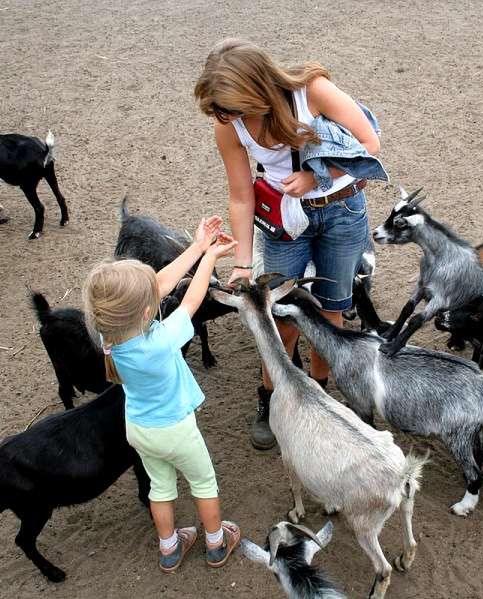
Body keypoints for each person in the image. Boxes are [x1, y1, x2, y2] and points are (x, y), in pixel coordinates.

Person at [194, 39, 382, 450]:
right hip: (284, 220)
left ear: (257, 89)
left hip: (341, 209)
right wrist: (243, 262)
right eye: (221, 112)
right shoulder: (228, 124)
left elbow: (370, 144)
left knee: (332, 311)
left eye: (233, 108)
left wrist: (318, 177)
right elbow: (242, 194)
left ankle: (318, 392)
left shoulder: (312, 91)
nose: (226, 118)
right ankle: (273, 398)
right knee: (278, 316)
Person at [82, 216, 240, 572]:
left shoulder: (110, 335)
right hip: (176, 428)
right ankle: (216, 541)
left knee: (160, 487)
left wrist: (198, 247)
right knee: (203, 481)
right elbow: (190, 301)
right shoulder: (159, 340)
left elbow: (159, 285)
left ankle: (169, 547)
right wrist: (210, 260)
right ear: (146, 310)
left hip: (139, 427)